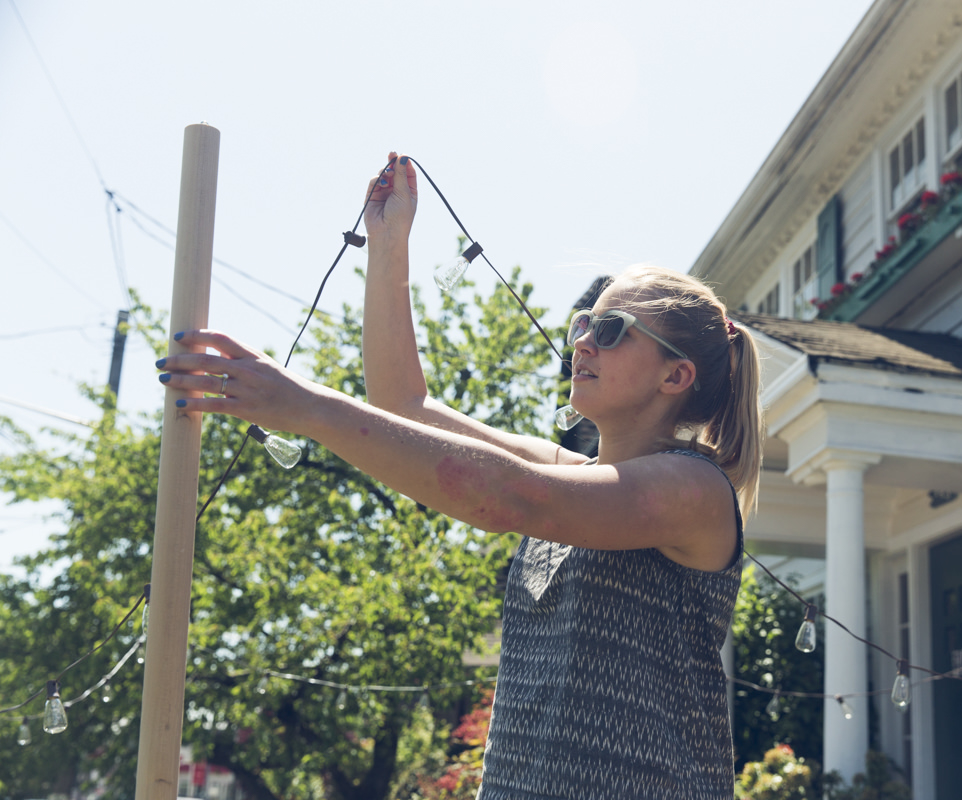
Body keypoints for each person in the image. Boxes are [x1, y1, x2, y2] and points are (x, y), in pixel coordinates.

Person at [156, 152, 763, 800]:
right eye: (583, 324)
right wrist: (389, 243)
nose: (582, 341)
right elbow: (403, 404)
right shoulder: (571, 473)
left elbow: (513, 497)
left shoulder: (694, 489)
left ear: (676, 377)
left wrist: (306, 406)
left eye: (611, 330)